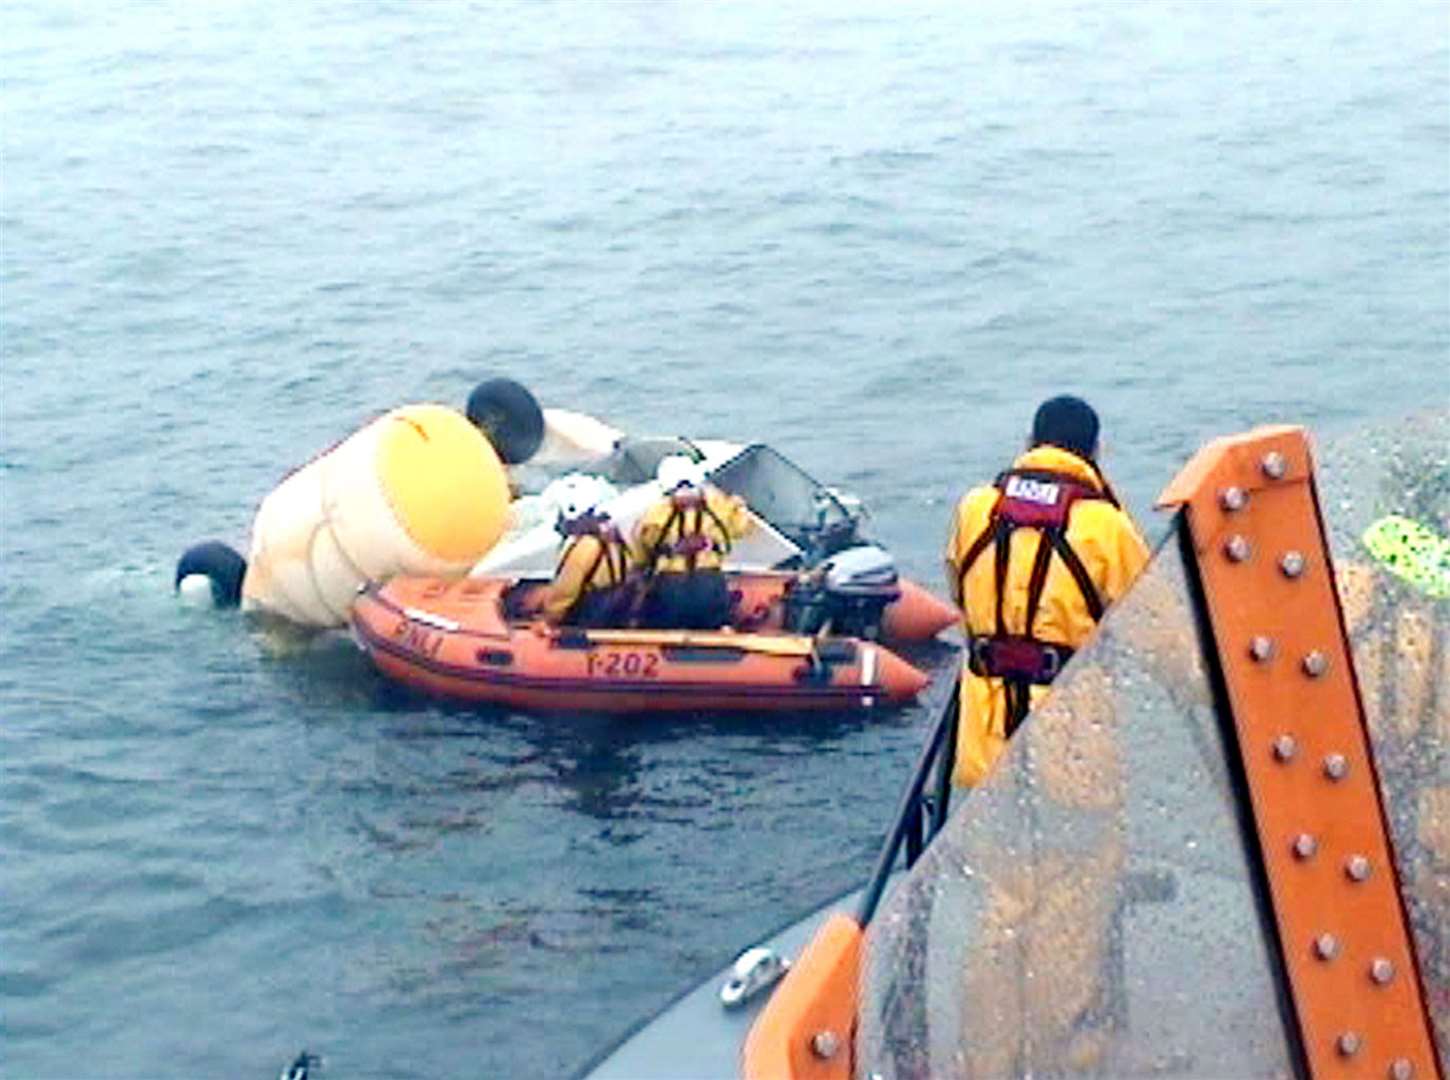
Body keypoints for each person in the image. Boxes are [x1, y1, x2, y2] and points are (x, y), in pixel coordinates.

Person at [944, 395, 1150, 788]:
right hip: (1075, 752)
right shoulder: (1108, 527)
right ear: (1096, 451)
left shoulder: (974, 510)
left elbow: (960, 594)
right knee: (1085, 850)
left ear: (1029, 444)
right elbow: (1152, 631)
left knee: (994, 849)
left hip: (983, 751)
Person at [632, 455, 754, 630]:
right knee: (713, 628)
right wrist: (739, 505)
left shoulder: (657, 511)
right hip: (710, 582)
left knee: (662, 628)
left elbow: (642, 545)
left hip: (670, 585)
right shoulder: (718, 504)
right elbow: (742, 528)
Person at [540, 478, 635, 628]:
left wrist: (546, 620)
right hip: (613, 620)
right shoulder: (616, 539)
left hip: (585, 625)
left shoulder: (584, 547)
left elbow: (564, 594)